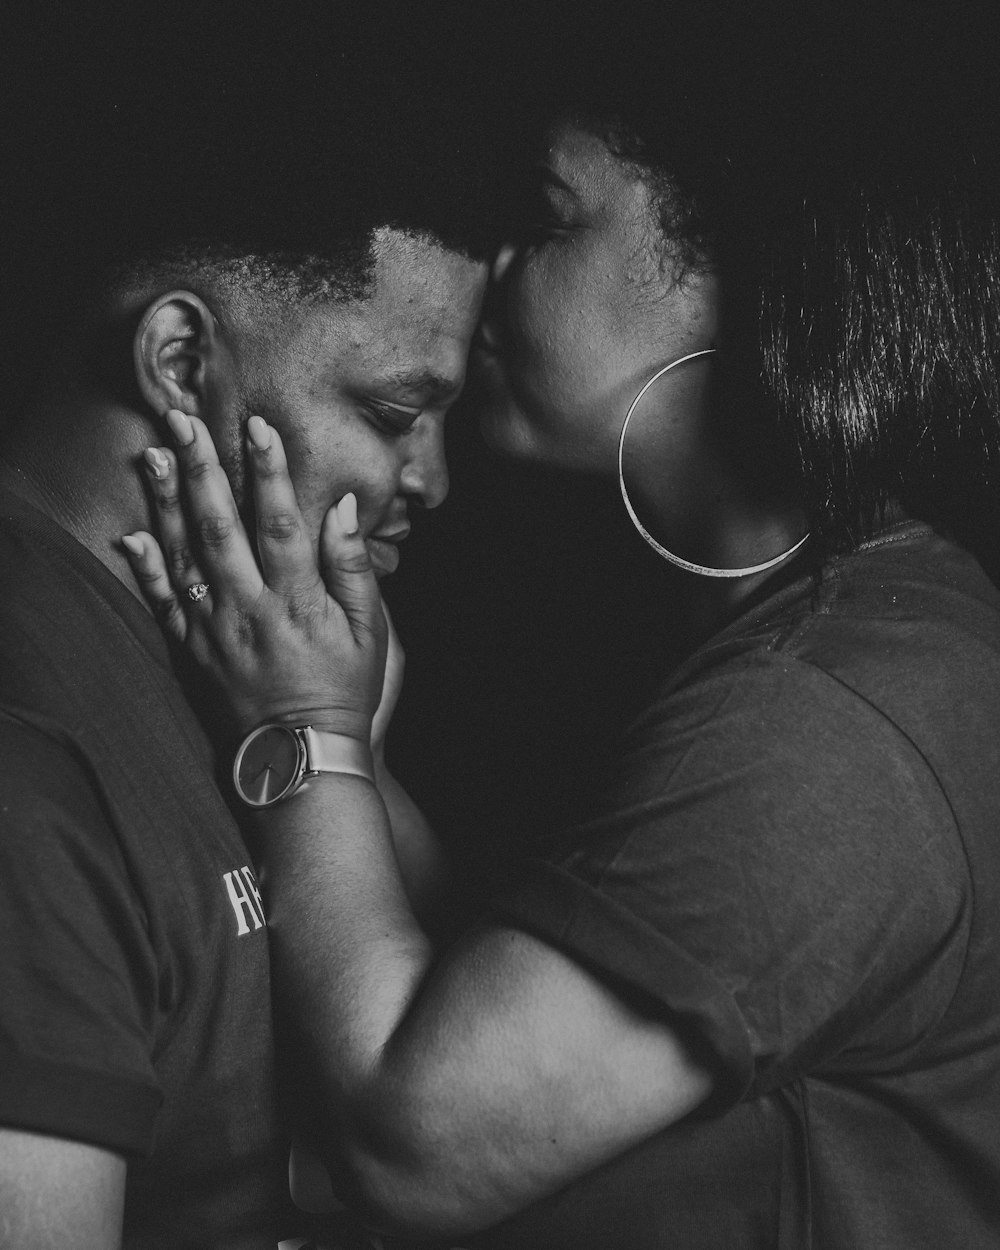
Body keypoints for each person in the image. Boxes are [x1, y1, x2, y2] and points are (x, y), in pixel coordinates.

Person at [123, 7, 1000, 1248]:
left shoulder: (835, 725)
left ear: (751, 268)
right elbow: (480, 983)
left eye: (546, 221)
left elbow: (408, 1141)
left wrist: (301, 733)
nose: (490, 280)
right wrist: (353, 742)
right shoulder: (836, 639)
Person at [0, 20, 493, 1245]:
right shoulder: (25, 745)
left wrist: (345, 748)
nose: (431, 481)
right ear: (179, 359)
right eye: (393, 411)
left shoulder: (252, 662)